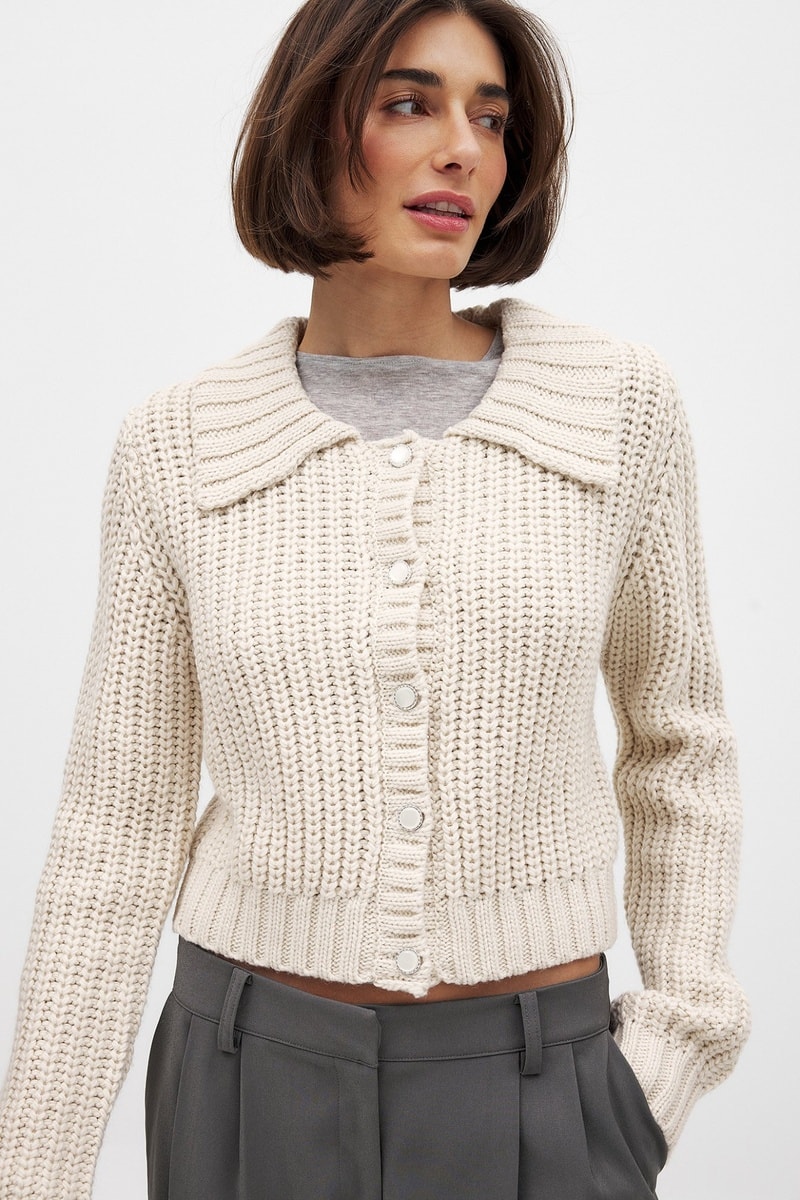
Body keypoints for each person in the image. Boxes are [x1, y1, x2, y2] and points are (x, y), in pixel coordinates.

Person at [0, 0, 751, 1196]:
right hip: (246, 1083)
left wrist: (665, 1055)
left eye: (489, 118)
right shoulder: (178, 446)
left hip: (543, 1088)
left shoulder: (617, 408)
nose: (461, 149)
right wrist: (35, 1173)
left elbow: (678, 749)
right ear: (309, 126)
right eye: (409, 104)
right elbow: (115, 832)